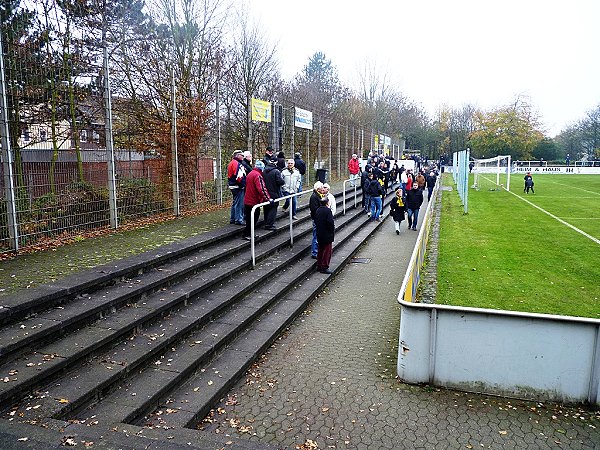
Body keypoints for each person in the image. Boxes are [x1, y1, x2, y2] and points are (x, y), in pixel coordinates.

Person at [242, 160, 271, 240]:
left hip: (248, 200)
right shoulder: (258, 176)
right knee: (254, 218)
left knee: (249, 218)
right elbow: (261, 189)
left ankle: (248, 233)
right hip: (254, 201)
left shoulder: (250, 174)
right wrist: (268, 199)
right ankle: (247, 234)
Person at [314, 196, 335, 274]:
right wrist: (331, 230)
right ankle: (324, 266)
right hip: (327, 234)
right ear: (327, 202)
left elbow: (316, 221)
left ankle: (319, 265)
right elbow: (330, 222)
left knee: (320, 250)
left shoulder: (318, 210)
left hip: (320, 233)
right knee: (327, 251)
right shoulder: (328, 211)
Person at [262, 160, 285, 230]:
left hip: (265, 193)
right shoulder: (276, 171)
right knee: (273, 208)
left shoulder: (264, 171)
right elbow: (280, 182)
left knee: (266, 207)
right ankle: (269, 224)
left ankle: (266, 222)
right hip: (274, 192)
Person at [227, 150, 246, 225]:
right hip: (237, 186)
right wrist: (243, 185)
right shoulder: (237, 164)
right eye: (242, 155)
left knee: (235, 202)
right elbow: (239, 176)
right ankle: (238, 219)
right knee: (239, 203)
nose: (243, 157)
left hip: (233, 185)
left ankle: (233, 218)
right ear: (237, 155)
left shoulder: (232, 163)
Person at [309, 181, 324, 259]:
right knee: (316, 236)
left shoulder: (318, 195)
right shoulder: (314, 197)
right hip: (317, 219)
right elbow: (314, 209)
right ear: (318, 189)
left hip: (319, 219)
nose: (323, 189)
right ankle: (315, 252)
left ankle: (317, 251)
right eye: (322, 187)